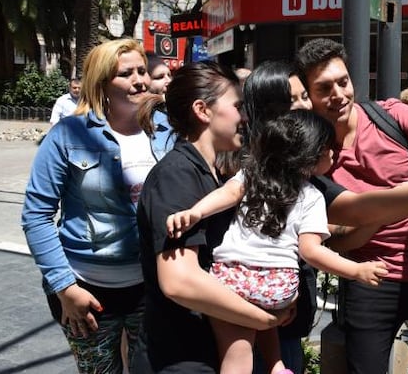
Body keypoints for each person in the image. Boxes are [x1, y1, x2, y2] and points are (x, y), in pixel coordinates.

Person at [168, 59, 408, 374]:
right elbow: (353, 215)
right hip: (234, 309)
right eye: (295, 99)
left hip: (284, 312)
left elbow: (352, 220)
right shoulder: (232, 169)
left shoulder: (306, 175)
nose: (307, 106)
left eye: (306, 96)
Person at [295, 38, 408, 374]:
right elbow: (338, 241)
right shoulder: (314, 161)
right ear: (307, 96)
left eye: (343, 81)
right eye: (324, 87)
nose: (338, 94)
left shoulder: (395, 116)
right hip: (370, 280)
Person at [167, 110, 389, 374]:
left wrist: (197, 212)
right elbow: (311, 252)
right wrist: (356, 270)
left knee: (237, 353)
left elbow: (227, 193)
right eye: (329, 150)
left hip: (232, 280)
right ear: (311, 156)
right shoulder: (312, 196)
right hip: (278, 287)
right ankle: (276, 365)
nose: (333, 154)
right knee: (260, 313)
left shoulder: (250, 175)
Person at [22, 39, 174, 373]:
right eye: (125, 74)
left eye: (142, 71)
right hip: (85, 291)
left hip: (152, 287)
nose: (140, 80)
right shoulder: (67, 135)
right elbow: (36, 215)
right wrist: (65, 288)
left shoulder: (167, 132)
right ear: (101, 82)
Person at [133, 62, 295, 373]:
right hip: (179, 359)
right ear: (202, 110)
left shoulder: (212, 176)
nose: (245, 117)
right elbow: (180, 281)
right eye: (237, 107)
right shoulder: (177, 176)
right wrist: (260, 318)